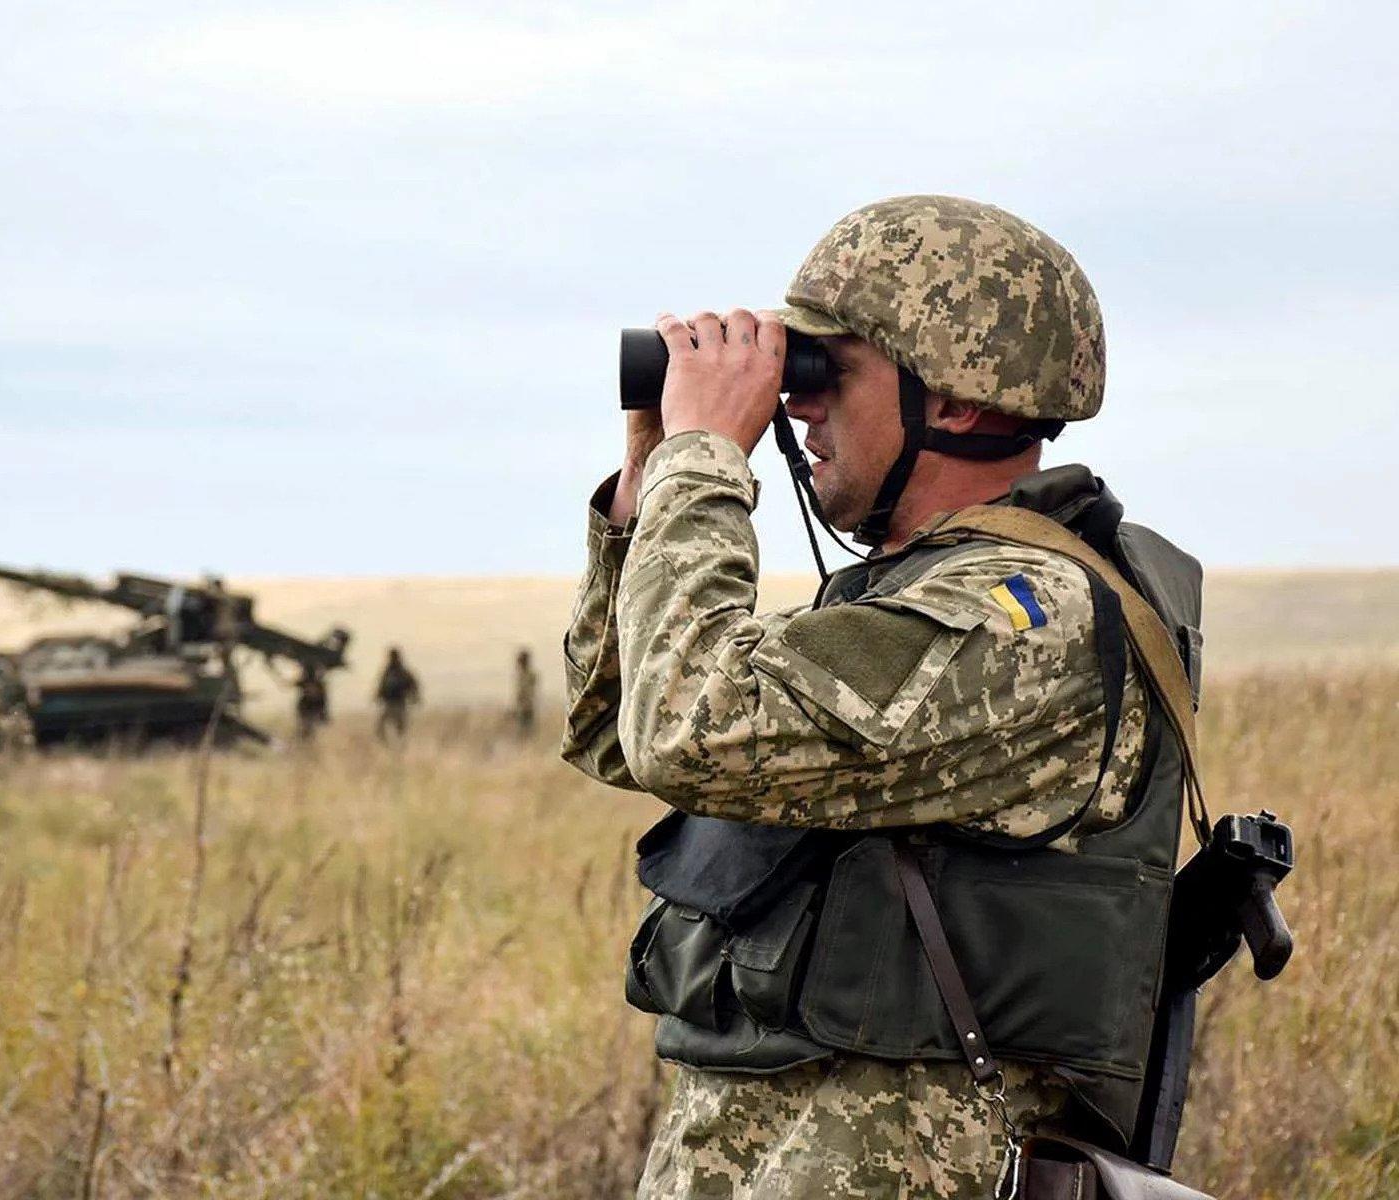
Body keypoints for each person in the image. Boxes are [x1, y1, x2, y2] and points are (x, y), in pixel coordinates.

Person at [563, 195, 1204, 1199]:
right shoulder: (900, 603)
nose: (796, 404)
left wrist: (707, 462)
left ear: (953, 402)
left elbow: (688, 732)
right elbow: (621, 731)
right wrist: (651, 482)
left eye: (829, 371)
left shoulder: (1032, 617)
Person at [374, 646, 421, 742]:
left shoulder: (403, 672)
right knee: (381, 728)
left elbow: (413, 685)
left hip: (399, 703)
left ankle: (399, 747)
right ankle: (388, 746)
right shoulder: (387, 672)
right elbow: (382, 685)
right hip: (389, 704)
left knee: (400, 728)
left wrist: (414, 697)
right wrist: (378, 695)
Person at [294, 662, 329, 741]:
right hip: (309, 705)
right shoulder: (318, 684)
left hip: (312, 705)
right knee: (307, 721)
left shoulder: (318, 685)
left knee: (307, 721)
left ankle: (305, 735)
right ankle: (305, 736)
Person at [511, 648, 539, 737]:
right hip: (523, 707)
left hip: (526, 707)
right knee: (523, 731)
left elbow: (527, 692)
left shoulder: (529, 675)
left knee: (525, 731)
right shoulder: (523, 675)